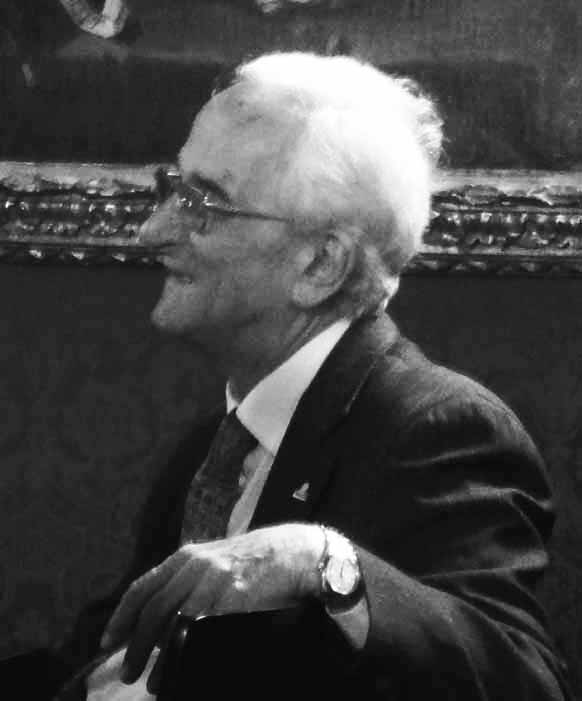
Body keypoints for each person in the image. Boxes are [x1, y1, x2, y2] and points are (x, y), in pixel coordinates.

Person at [59, 52, 571, 700]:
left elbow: (528, 685)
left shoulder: (440, 430)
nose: (151, 230)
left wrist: (323, 564)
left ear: (321, 264)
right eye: (171, 187)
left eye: (203, 203)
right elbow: (96, 659)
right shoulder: (211, 450)